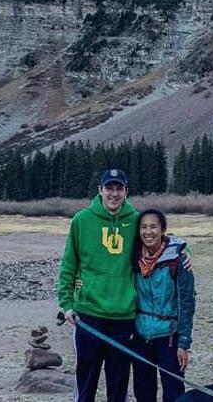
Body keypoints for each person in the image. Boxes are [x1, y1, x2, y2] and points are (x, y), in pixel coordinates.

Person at [58, 168, 138, 402]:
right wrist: (66, 303)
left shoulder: (136, 220)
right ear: (100, 190)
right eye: (109, 188)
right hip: (88, 314)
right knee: (86, 380)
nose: (114, 193)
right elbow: (69, 264)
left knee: (118, 382)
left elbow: (160, 239)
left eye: (119, 188)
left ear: (126, 192)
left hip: (123, 316)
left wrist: (183, 251)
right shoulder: (82, 220)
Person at [132, 208, 196, 402]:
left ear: (162, 230)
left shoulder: (178, 259)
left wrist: (183, 343)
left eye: (153, 227)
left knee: (174, 393)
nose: (148, 232)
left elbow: (187, 302)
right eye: (143, 227)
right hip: (140, 336)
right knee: (143, 392)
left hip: (169, 336)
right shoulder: (133, 256)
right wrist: (79, 279)